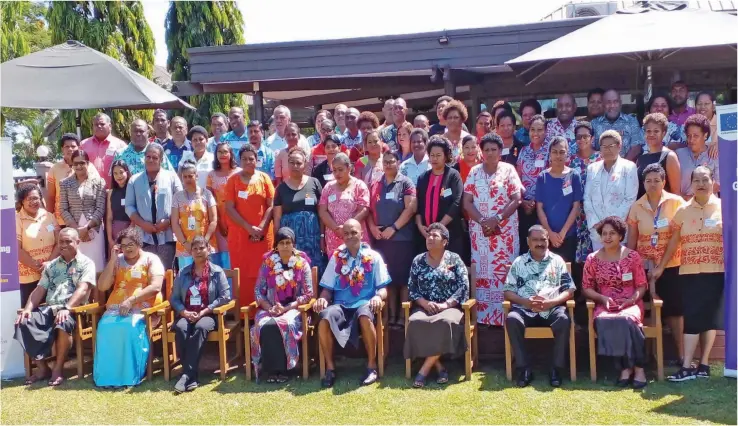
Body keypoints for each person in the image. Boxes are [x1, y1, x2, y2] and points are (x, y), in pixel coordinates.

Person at [652, 167, 724, 382]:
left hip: (716, 271)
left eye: (705, 179)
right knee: (691, 316)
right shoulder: (682, 211)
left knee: (709, 317)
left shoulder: (725, 207)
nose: (701, 184)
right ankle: (686, 367)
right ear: (691, 184)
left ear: (713, 182)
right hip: (689, 272)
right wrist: (662, 266)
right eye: (696, 180)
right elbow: (674, 241)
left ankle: (703, 365)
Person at [314, 219, 390, 387]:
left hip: (365, 303)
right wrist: (323, 298)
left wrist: (378, 297)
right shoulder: (336, 258)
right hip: (341, 305)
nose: (349, 236)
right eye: (346, 233)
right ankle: (330, 368)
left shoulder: (374, 257)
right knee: (325, 317)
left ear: (362, 234)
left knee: (364, 315)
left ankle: (371, 366)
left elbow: (383, 288)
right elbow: (327, 289)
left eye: (354, 232)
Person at [14, 228, 95, 386]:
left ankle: (58, 369)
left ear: (78, 242)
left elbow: (83, 289)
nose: (63, 245)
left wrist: (67, 307)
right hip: (50, 308)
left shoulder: (86, 263)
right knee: (23, 322)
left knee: (63, 323)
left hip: (75, 311)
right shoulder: (51, 266)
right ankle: (43, 368)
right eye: (61, 242)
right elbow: (40, 290)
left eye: (68, 241)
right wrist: (28, 309)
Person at [627, 163, 686, 363]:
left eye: (657, 180)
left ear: (664, 181)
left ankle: (681, 356)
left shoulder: (677, 203)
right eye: (648, 181)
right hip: (644, 267)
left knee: (674, 311)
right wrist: (630, 267)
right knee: (644, 309)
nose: (652, 185)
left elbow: (678, 237)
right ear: (643, 183)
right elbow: (632, 241)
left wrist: (661, 266)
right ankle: (645, 357)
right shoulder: (637, 206)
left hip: (671, 264)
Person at [503, 225, 575, 387]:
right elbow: (508, 291)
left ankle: (556, 369)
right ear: (528, 242)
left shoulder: (557, 261)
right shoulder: (519, 262)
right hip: (525, 309)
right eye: (535, 240)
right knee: (512, 319)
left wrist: (552, 302)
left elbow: (569, 289)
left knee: (563, 319)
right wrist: (526, 302)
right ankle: (524, 368)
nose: (540, 243)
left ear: (548, 240)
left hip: (551, 308)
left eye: (543, 239)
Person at [581, 216, 648, 389]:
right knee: (606, 320)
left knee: (627, 320)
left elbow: (641, 286)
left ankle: (638, 368)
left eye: (612, 233)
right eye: (604, 234)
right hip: (605, 304)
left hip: (631, 302)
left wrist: (631, 300)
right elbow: (586, 288)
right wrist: (602, 299)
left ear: (620, 236)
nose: (608, 237)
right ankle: (625, 368)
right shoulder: (592, 259)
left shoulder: (632, 257)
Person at [463, 133, 523, 325]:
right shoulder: (474, 172)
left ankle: (507, 319)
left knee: (503, 274)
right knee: (483, 274)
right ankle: (484, 320)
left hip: (505, 234)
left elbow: (516, 199)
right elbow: (467, 201)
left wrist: (497, 219)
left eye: (494, 149)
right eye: (486, 149)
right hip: (481, 235)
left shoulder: (509, 170)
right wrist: (482, 221)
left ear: (500, 151)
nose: (490, 153)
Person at [93, 227, 164, 388]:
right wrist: (112, 260)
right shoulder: (117, 260)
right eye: (124, 245)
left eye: (131, 244)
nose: (128, 248)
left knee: (129, 327)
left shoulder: (151, 259)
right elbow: (103, 286)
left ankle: (129, 375)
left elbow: (156, 287)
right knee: (105, 327)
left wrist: (131, 300)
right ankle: (107, 376)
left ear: (139, 244)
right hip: (116, 309)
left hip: (143, 310)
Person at [405, 223, 469, 388]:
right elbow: (412, 288)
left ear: (445, 241)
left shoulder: (454, 259)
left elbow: (463, 287)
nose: (430, 238)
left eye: (435, 236)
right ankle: (439, 366)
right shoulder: (418, 260)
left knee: (446, 322)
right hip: (424, 307)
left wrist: (445, 305)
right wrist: (424, 303)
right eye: (428, 235)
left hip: (449, 307)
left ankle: (424, 369)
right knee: (416, 321)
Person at [249, 228, 313, 383]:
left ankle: (284, 369)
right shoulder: (268, 263)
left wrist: (287, 308)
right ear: (276, 246)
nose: (285, 246)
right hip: (270, 307)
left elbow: (308, 294)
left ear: (293, 245)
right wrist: (268, 307)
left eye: (288, 243)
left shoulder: (302, 264)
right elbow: (258, 289)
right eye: (281, 243)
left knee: (285, 323)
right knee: (264, 324)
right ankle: (271, 370)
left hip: (294, 309)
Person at [170, 236, 231, 392]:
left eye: (201, 248)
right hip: (186, 314)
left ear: (208, 249)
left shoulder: (217, 272)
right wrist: (184, 312)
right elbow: (174, 298)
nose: (198, 251)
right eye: (195, 249)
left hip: (209, 315)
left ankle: (186, 375)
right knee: (181, 328)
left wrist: (206, 310)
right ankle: (191, 376)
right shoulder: (183, 273)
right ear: (190, 252)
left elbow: (225, 296)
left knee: (201, 327)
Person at [368, 150, 417, 327]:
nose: (388, 164)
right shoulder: (375, 184)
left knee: (402, 279)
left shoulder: (405, 182)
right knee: (386, 279)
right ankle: (390, 316)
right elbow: (368, 210)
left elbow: (410, 209)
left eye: (392, 161)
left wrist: (394, 227)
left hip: (401, 238)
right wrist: (373, 227)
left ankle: (403, 316)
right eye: (385, 161)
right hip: (381, 239)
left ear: (398, 162)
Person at [224, 144, 275, 306]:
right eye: (244, 159)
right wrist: (248, 228)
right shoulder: (233, 180)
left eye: (251, 158)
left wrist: (261, 227)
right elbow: (229, 208)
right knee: (243, 274)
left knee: (264, 271)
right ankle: (245, 316)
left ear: (257, 160)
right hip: (240, 238)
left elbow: (271, 204)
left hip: (262, 237)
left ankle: (265, 309)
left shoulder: (264, 178)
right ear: (239, 161)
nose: (248, 161)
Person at [125, 143, 183, 270]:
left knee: (166, 273)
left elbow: (181, 202)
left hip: (167, 235)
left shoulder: (171, 177)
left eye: (155, 157)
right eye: (148, 157)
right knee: (146, 273)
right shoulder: (134, 180)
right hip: (143, 237)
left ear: (161, 160)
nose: (151, 160)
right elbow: (129, 207)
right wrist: (142, 224)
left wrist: (168, 222)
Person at [583, 130, 638, 251]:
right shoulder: (592, 168)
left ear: (619, 146)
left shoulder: (629, 167)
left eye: (611, 146)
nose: (607, 149)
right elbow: (587, 198)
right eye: (604, 146)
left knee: (619, 268)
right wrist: (598, 225)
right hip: (598, 232)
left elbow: (630, 199)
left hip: (619, 231)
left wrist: (612, 226)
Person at [273, 148, 325, 274]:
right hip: (291, 238)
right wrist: (277, 241)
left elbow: (322, 212)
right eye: (291, 162)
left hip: (312, 237)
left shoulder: (314, 183)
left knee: (313, 268)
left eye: (298, 163)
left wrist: (322, 236)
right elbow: (277, 218)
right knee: (292, 269)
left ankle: (314, 294)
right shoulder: (281, 188)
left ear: (305, 164)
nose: (295, 166)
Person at [535, 136, 583, 263]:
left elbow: (576, 206)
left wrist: (563, 233)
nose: (558, 155)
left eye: (562, 152)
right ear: (549, 154)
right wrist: (549, 233)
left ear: (567, 153)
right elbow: (539, 208)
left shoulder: (574, 175)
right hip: (546, 236)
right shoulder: (542, 177)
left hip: (568, 235)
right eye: (554, 152)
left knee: (566, 273)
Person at [415, 136, 464, 256]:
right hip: (426, 235)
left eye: (438, 155)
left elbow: (457, 202)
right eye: (432, 155)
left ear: (446, 156)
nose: (434, 158)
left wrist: (439, 227)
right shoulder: (422, 178)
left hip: (450, 233)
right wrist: (420, 226)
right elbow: (418, 205)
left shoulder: (453, 175)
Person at [59, 150, 107, 271]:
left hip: (94, 231)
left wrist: (86, 228)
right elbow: (63, 209)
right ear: (72, 165)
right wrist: (77, 230)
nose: (79, 166)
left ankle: (97, 291)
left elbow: (100, 208)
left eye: (82, 163)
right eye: (76, 164)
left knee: (97, 268)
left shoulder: (99, 182)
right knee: (78, 269)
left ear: (88, 163)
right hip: (74, 233)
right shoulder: (65, 183)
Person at [569, 121, 602, 294]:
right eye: (578, 137)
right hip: (577, 215)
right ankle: (582, 302)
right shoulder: (571, 161)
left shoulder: (601, 158)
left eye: (585, 136)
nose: (581, 140)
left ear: (592, 138)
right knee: (579, 261)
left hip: (597, 214)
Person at [16, 184, 60, 307]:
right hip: (29, 278)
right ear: (22, 201)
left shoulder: (49, 217)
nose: (33, 202)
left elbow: (59, 242)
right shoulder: (17, 220)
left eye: (36, 198)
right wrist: (37, 267)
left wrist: (49, 263)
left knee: (51, 311)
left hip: (51, 273)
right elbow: (17, 249)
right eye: (29, 199)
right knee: (31, 314)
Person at [318, 153, 371, 255]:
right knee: (337, 268)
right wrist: (336, 229)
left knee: (358, 268)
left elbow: (364, 210)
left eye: (340, 169)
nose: (337, 173)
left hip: (354, 236)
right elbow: (322, 211)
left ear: (349, 168)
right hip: (334, 237)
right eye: (334, 170)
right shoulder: (328, 187)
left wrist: (347, 229)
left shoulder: (359, 185)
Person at [171, 161, 218, 269]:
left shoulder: (207, 194)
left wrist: (204, 242)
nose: (187, 179)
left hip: (205, 246)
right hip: (185, 247)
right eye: (185, 177)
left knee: (207, 277)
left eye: (190, 176)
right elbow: (174, 223)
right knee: (187, 279)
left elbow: (214, 219)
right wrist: (185, 243)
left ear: (196, 176)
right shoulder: (177, 197)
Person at [47, 133, 100, 227]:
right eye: (66, 146)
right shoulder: (54, 169)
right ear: (62, 149)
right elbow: (51, 197)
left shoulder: (89, 167)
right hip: (61, 221)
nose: (70, 149)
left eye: (73, 146)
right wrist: (50, 222)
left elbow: (98, 193)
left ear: (79, 148)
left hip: (86, 221)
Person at [516, 114, 548, 254]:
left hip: (545, 205)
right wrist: (522, 202)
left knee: (542, 242)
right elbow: (517, 178)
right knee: (526, 243)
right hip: (525, 206)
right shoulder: (523, 151)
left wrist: (537, 202)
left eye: (540, 129)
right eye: (533, 129)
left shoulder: (550, 150)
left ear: (546, 131)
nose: (536, 133)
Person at [206, 141, 241, 258]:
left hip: (238, 217)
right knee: (223, 254)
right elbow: (211, 201)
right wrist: (220, 222)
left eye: (225, 151)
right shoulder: (211, 175)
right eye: (219, 152)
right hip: (219, 219)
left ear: (231, 154)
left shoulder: (240, 173)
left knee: (238, 251)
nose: (222, 154)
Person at [637, 113, 681, 199]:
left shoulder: (670, 156)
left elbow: (676, 192)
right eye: (648, 131)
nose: (651, 134)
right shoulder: (641, 158)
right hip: (643, 209)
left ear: (663, 133)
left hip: (663, 209)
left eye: (656, 131)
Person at [675, 114, 720, 200]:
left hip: (709, 207)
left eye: (696, 136)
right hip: (684, 207)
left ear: (705, 135)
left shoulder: (714, 154)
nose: (691, 140)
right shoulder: (678, 155)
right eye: (689, 136)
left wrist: (696, 199)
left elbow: (718, 184)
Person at [592, 89, 644, 160]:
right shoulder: (594, 124)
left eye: (615, 102)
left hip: (626, 167)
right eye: (608, 102)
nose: (612, 105)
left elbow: (636, 148)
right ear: (603, 105)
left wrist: (621, 166)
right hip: (602, 168)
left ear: (620, 103)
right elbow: (591, 149)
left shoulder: (631, 121)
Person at [80, 112, 127, 188]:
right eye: (96, 124)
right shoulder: (83, 145)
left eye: (102, 124)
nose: (99, 126)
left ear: (110, 126)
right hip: (89, 192)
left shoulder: (120, 145)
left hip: (113, 191)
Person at [106, 160, 132, 248]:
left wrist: (127, 234)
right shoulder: (111, 192)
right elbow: (109, 218)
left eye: (121, 172)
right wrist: (110, 239)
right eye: (115, 173)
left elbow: (136, 215)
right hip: (115, 233)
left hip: (131, 231)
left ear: (127, 172)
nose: (118, 176)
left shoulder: (133, 190)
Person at [695, 91, 719, 156]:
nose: (702, 107)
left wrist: (720, 145)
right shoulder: (691, 124)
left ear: (713, 107)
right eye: (699, 104)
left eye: (706, 103)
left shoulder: (722, 122)